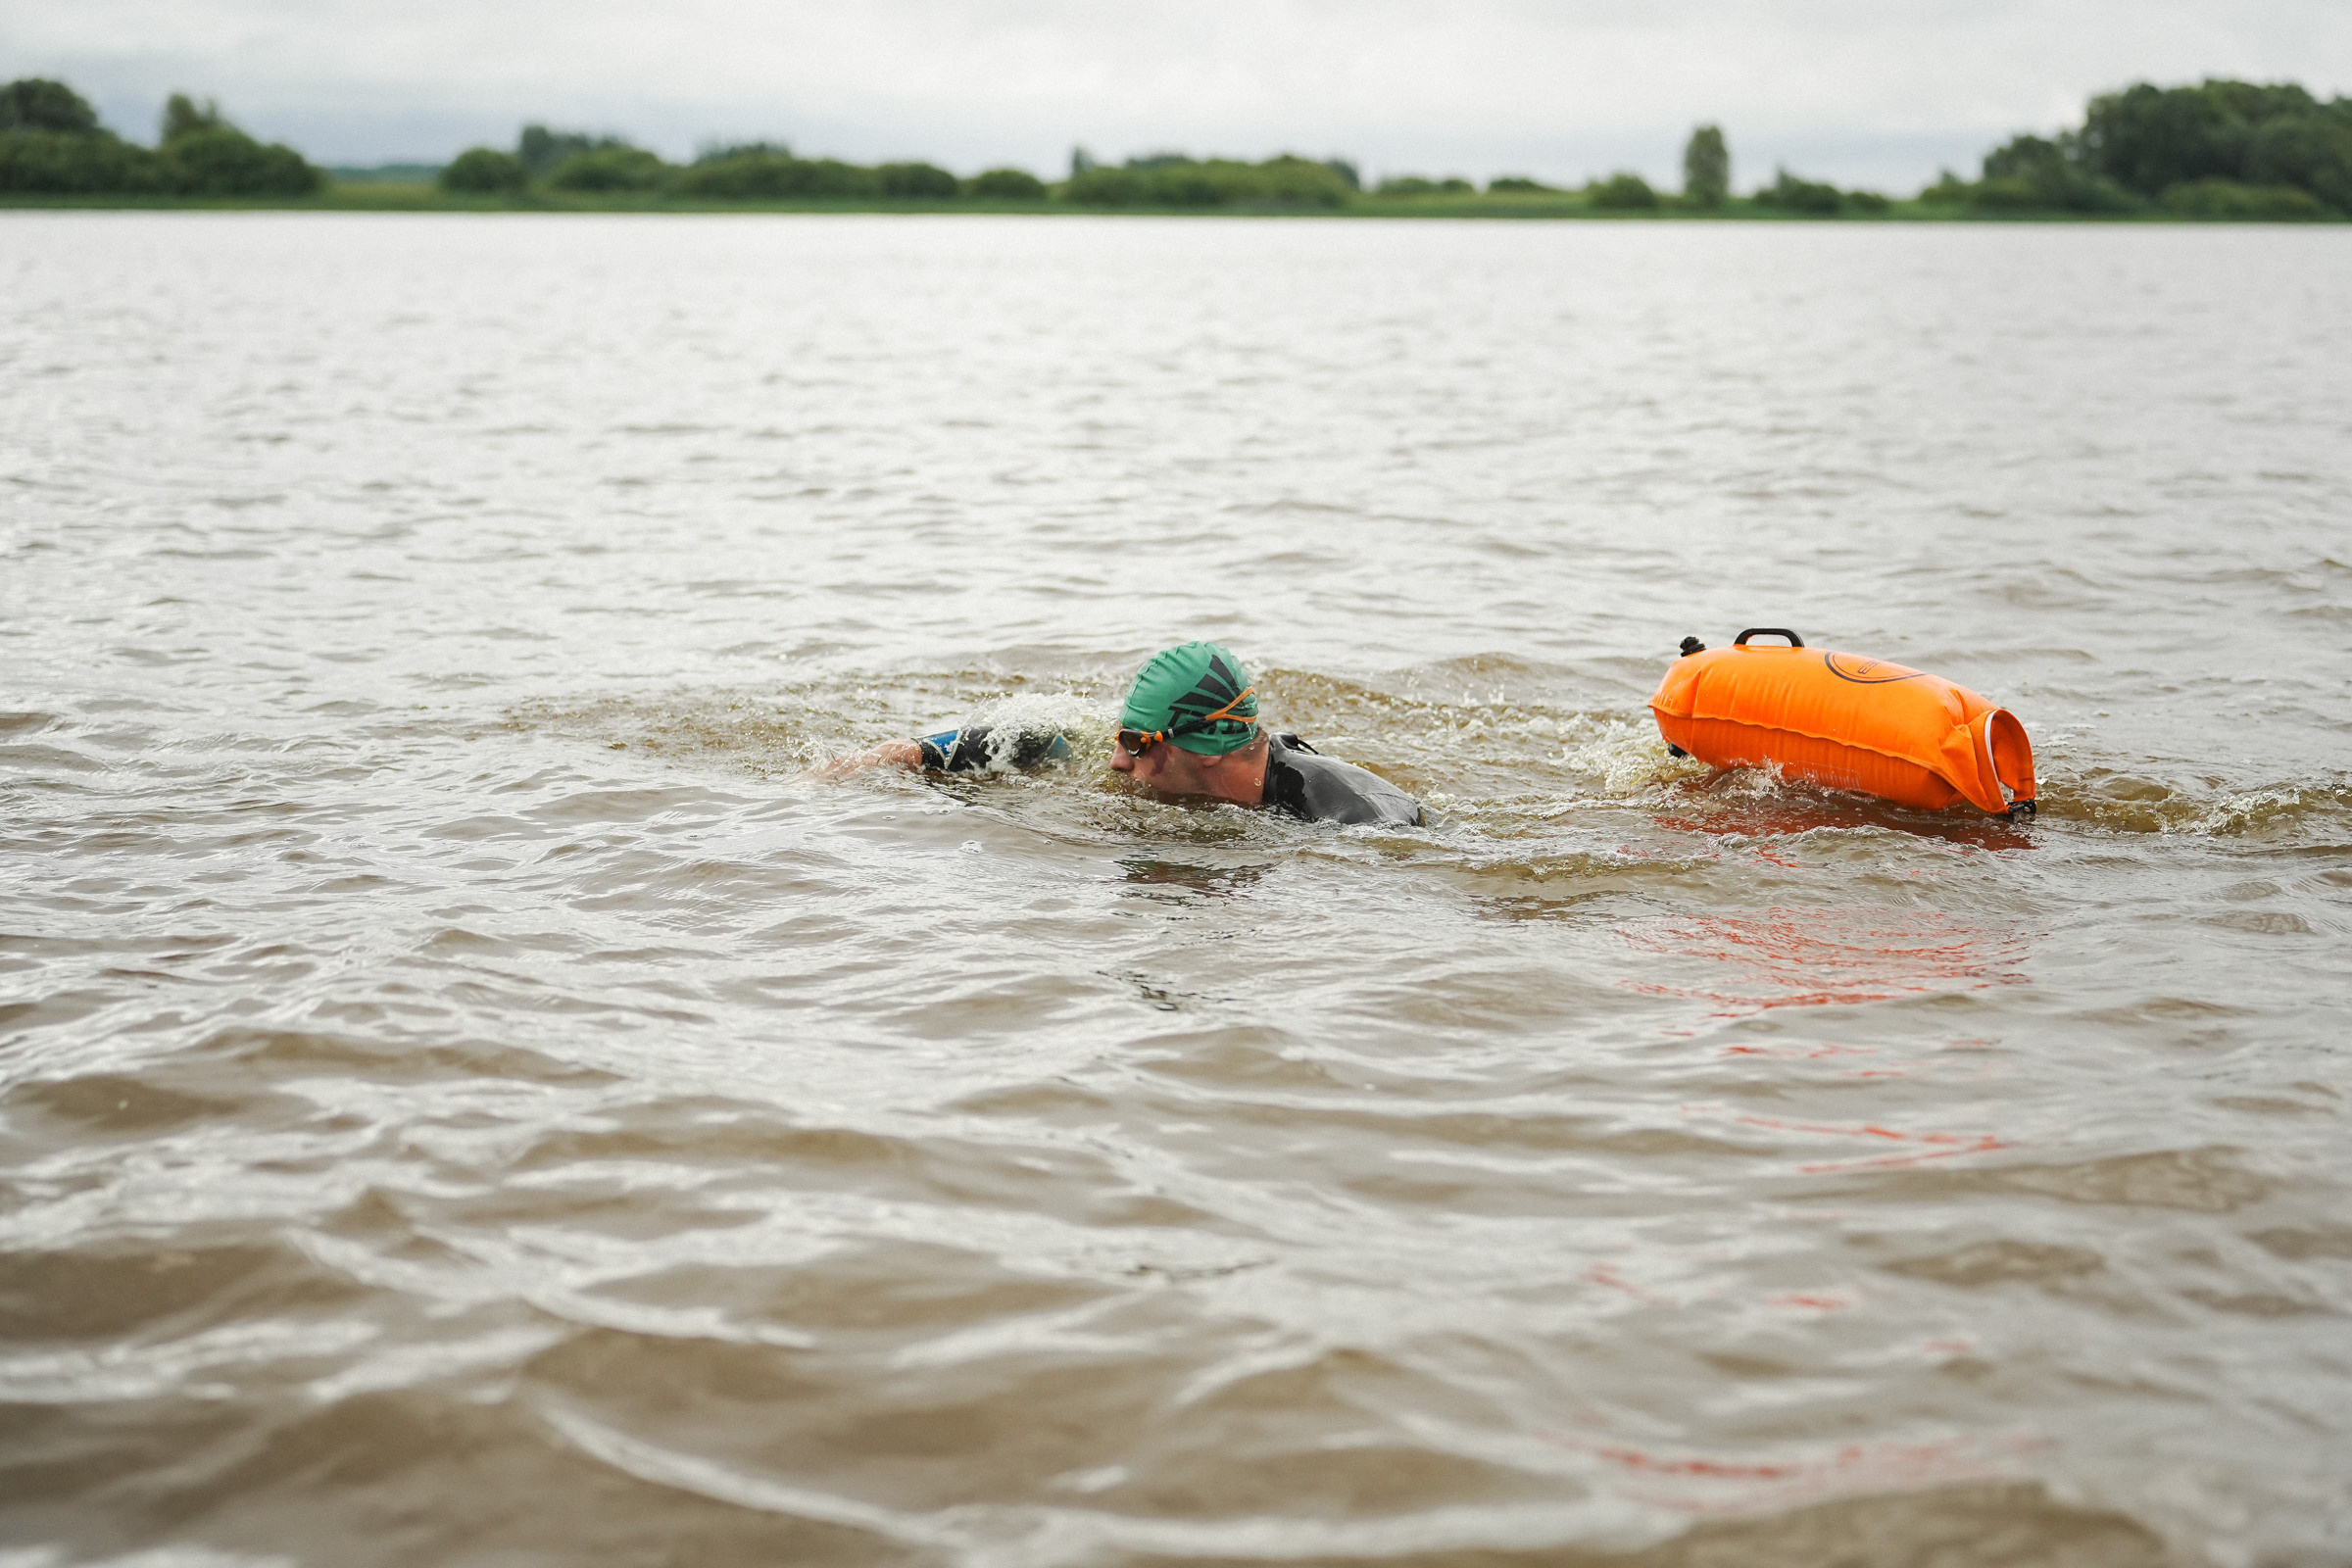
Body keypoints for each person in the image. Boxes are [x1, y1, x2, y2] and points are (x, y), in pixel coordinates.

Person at [820, 641, 1425, 828]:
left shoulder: (1353, 817)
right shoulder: (1155, 755)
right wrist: (907, 754)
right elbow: (1045, 739)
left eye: (1135, 744)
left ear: (1202, 750)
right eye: (1120, 736)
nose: (1114, 760)